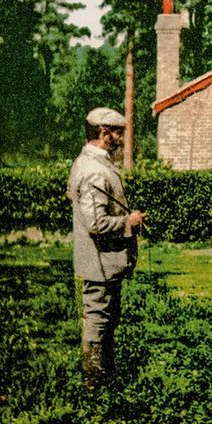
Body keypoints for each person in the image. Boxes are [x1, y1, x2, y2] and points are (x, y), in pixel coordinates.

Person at [68, 107, 145, 389]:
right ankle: (94, 381)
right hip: (99, 262)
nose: (121, 138)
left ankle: (104, 376)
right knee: (98, 318)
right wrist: (129, 221)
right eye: (117, 133)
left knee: (105, 318)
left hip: (104, 261)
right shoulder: (93, 170)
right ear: (103, 134)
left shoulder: (89, 163)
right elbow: (96, 223)